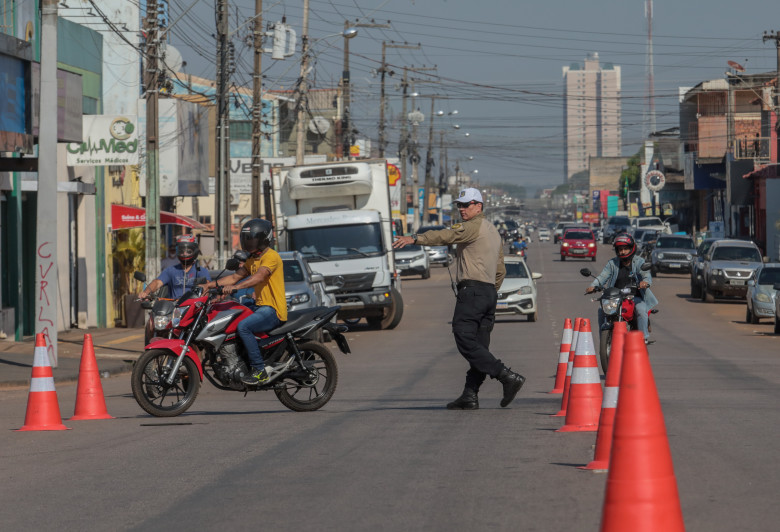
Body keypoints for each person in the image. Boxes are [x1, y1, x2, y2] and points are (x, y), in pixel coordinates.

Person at [392, 187, 525, 410]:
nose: (461, 209)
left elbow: (445, 235)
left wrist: (414, 238)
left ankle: (506, 376)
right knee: (479, 347)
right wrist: (489, 291)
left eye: (466, 205)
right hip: (489, 292)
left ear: (479, 206)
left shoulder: (472, 227)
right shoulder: (492, 230)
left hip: (473, 292)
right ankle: (470, 395)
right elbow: (500, 269)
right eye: (459, 205)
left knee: (464, 338)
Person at [200, 218, 287, 386]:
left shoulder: (271, 256)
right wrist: (208, 285)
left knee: (244, 327)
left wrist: (235, 288)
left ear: (263, 238)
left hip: (273, 310)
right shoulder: (252, 259)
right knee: (231, 315)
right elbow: (234, 276)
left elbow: (259, 276)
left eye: (252, 239)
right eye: (247, 239)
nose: (249, 242)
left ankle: (259, 371)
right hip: (260, 306)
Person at [585, 233, 658, 343]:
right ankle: (604, 341)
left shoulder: (639, 261)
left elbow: (646, 274)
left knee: (641, 310)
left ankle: (644, 338)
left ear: (631, 248)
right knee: (601, 310)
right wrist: (593, 286)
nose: (622, 252)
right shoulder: (612, 263)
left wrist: (645, 282)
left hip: (634, 297)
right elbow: (602, 276)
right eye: (620, 249)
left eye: (625, 249)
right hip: (615, 298)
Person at [139, 234, 211, 300]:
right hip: (173, 309)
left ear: (194, 252)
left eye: (188, 251)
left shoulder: (201, 271)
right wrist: (146, 292)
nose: (184, 254)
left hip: (194, 309)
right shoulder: (171, 270)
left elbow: (207, 287)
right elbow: (157, 283)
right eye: (182, 251)